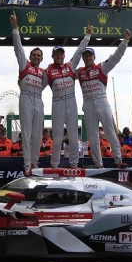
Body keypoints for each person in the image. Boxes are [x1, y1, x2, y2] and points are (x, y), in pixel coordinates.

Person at [76, 28, 132, 169]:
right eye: (86, 56)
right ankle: (98, 164)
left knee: (110, 132)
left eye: (90, 56)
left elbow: (115, 57)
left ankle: (118, 161)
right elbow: (63, 75)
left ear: (94, 58)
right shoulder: (79, 72)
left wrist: (125, 41)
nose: (88, 58)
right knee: (93, 137)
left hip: (102, 102)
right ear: (83, 59)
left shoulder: (102, 68)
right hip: (88, 105)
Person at [44, 22, 92, 169]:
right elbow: (37, 87)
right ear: (52, 56)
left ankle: (73, 164)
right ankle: (54, 165)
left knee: (73, 136)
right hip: (57, 103)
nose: (59, 56)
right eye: (57, 54)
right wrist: (21, 83)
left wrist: (88, 35)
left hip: (71, 102)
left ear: (64, 55)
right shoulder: (48, 71)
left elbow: (79, 51)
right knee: (57, 136)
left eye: (61, 53)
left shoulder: (70, 66)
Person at [10, 10, 45, 176]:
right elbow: (18, 48)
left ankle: (35, 163)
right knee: (26, 132)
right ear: (30, 56)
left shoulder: (44, 72)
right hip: (25, 98)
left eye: (39, 55)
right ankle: (26, 165)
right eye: (34, 55)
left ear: (42, 58)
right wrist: (15, 27)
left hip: (38, 99)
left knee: (38, 133)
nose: (36, 57)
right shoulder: (25, 65)